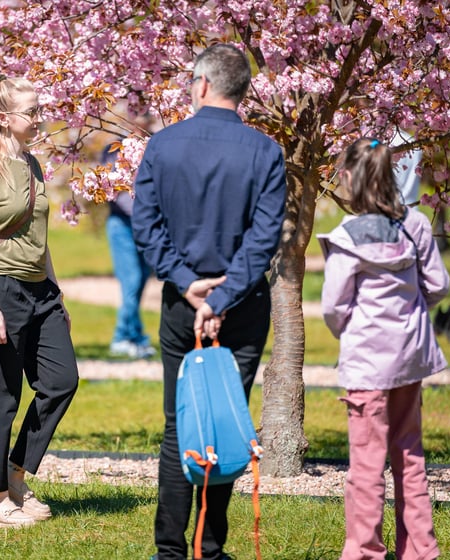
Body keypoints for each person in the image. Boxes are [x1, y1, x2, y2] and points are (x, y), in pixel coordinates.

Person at [132, 44, 287, 560]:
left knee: (181, 427)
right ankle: (210, 548)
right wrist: (220, 295)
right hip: (240, 303)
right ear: (242, 92)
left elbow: (145, 226)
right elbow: (264, 240)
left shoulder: (162, 146)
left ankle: (171, 550)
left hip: (185, 303)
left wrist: (184, 282)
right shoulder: (264, 151)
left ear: (200, 85)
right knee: (224, 420)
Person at [318, 138, 448, 560]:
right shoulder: (417, 225)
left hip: (367, 367)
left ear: (352, 178)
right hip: (410, 360)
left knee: (367, 465)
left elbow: (334, 306)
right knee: (409, 456)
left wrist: (352, 331)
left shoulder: (345, 236)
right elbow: (438, 286)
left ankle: (363, 551)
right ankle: (420, 551)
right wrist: (409, 313)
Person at [0, 73, 79, 528]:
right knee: (1, 397)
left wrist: (57, 293)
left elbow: (38, 234)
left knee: (61, 380)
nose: (39, 119)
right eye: (32, 112)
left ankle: (15, 472)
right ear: (4, 119)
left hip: (39, 289)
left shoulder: (31, 163)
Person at [103, 125, 155, 360]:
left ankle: (133, 334)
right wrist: (145, 214)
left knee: (142, 278)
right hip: (122, 225)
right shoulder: (113, 151)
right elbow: (118, 194)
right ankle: (123, 337)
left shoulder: (152, 147)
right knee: (131, 279)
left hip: (146, 225)